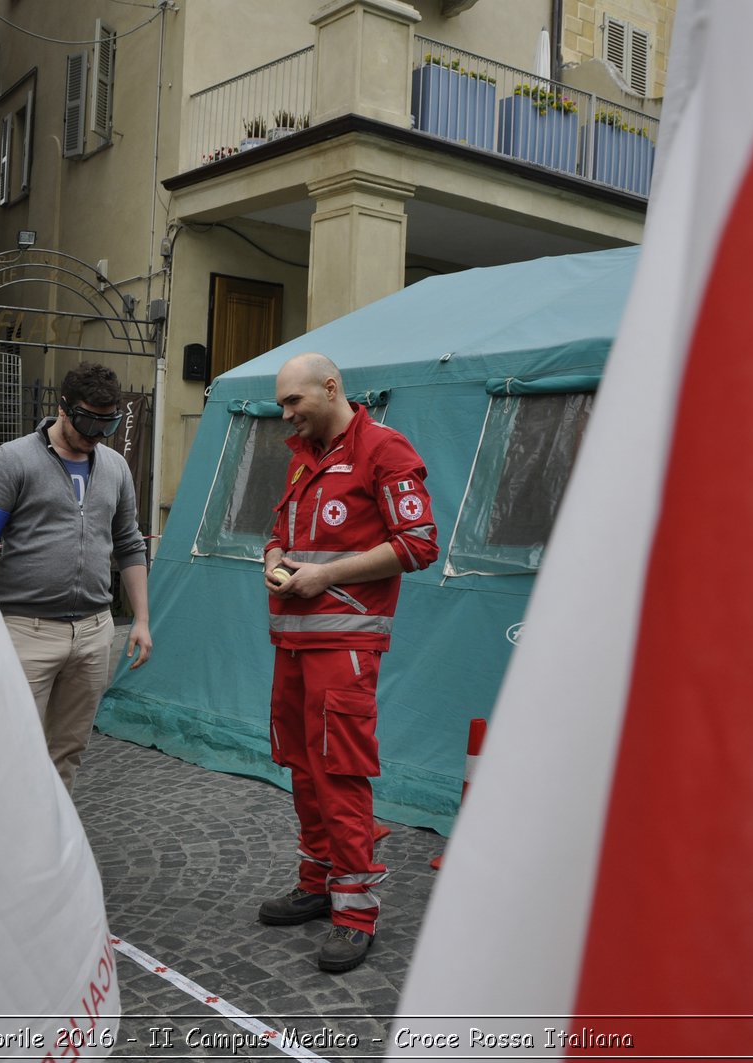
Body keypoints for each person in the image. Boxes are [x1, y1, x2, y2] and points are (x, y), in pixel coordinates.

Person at [256, 352, 438, 973]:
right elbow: (280, 533)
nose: (286, 415)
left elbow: (418, 545)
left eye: (293, 402)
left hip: (344, 647)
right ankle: (317, 881)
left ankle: (355, 909)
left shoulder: (384, 452)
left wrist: (325, 575)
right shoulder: (302, 456)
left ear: (330, 388)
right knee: (302, 766)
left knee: (339, 770)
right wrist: (274, 556)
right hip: (293, 642)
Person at [0, 363, 152, 792]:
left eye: (108, 422)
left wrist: (140, 620)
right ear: (63, 409)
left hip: (93, 632)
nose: (96, 434)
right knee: (13, 749)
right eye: (88, 420)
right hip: (25, 630)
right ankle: (7, 846)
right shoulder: (13, 460)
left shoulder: (116, 468)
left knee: (68, 750)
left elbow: (129, 544)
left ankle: (54, 845)